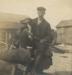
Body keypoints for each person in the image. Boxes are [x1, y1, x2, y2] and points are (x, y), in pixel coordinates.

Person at [30, 7, 53, 75]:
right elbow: (27, 28)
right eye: (39, 12)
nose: (40, 13)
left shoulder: (47, 24)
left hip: (40, 42)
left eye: (42, 12)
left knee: (40, 51)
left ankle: (34, 69)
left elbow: (49, 36)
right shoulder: (32, 21)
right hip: (31, 40)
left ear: (44, 13)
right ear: (37, 12)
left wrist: (44, 39)